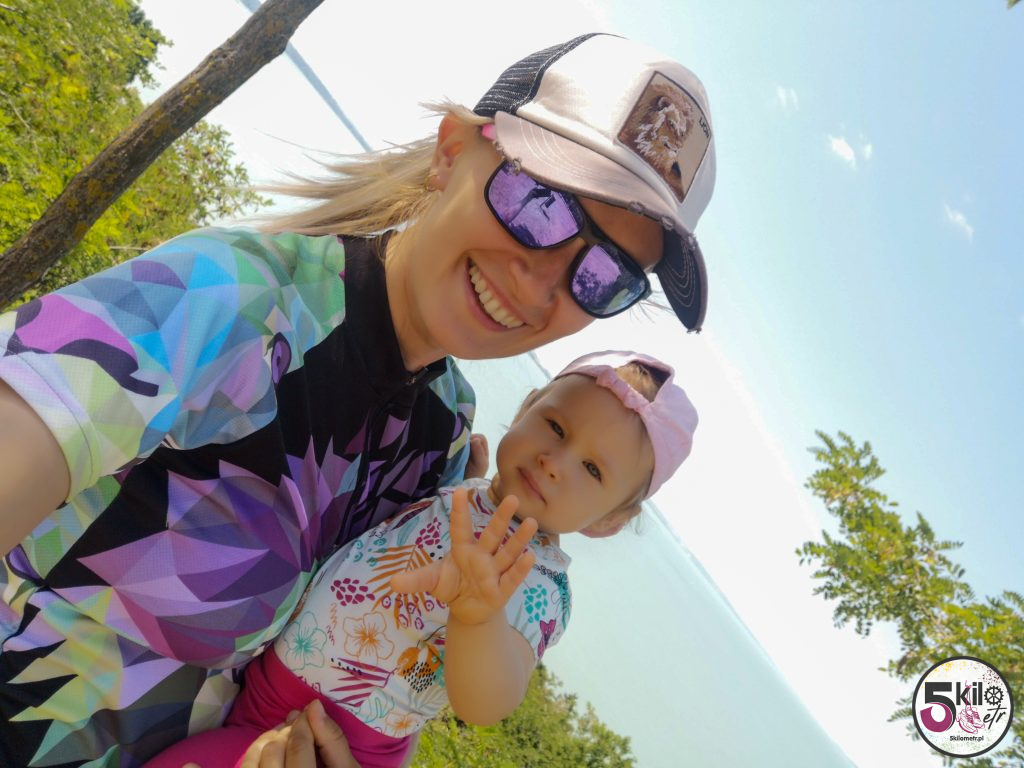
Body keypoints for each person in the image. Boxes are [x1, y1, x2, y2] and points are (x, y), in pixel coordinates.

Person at [0, 32, 717, 767]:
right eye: (539, 202)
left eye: (604, 275)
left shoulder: (440, 434)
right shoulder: (241, 302)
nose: (541, 284)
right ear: (452, 151)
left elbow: (374, 651)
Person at [144, 351, 698, 768]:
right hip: (271, 692)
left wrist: (478, 616)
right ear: (527, 407)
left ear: (608, 522)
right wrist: (467, 480)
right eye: (556, 427)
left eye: (593, 470)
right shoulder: (464, 491)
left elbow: (488, 702)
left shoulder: (537, 586)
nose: (556, 461)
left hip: (336, 740)